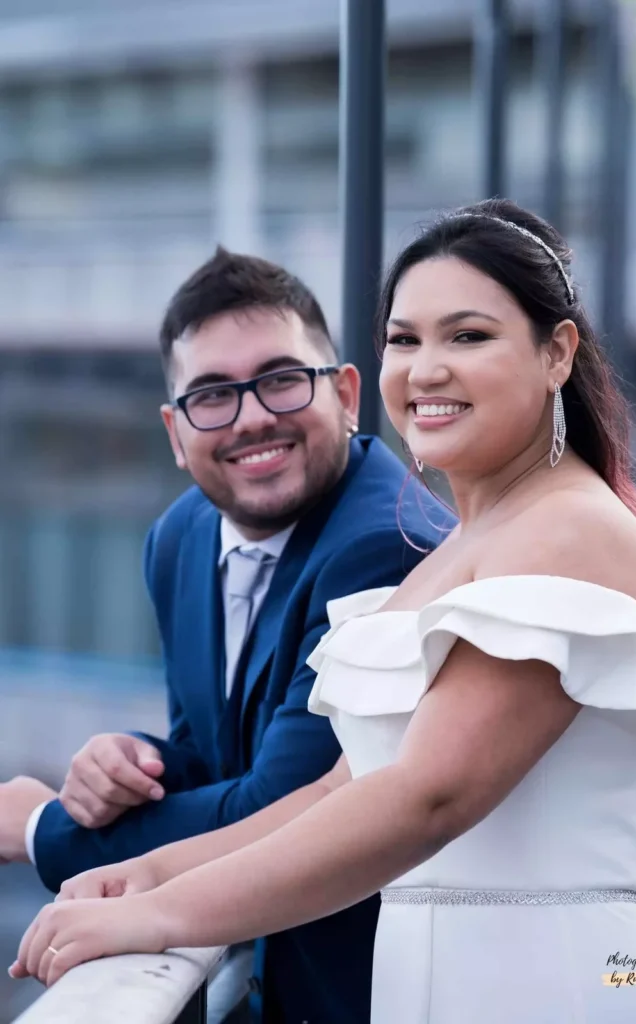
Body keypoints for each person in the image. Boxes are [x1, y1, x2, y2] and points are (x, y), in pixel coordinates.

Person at [12, 198, 636, 1023]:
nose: (427, 368)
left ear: (556, 353)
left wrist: (157, 914)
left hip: (546, 986)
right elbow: (341, 785)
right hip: (444, 985)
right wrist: (157, 871)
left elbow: (424, 796)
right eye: (406, 338)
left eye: (468, 336)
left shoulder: (570, 529)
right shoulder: (470, 544)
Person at [2, 248, 452, 1024]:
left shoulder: (389, 544)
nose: (250, 417)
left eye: (280, 378)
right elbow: (217, 757)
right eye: (212, 394)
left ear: (345, 394)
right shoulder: (179, 537)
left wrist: (46, 829)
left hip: (368, 992)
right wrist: (132, 764)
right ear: (175, 433)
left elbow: (286, 804)